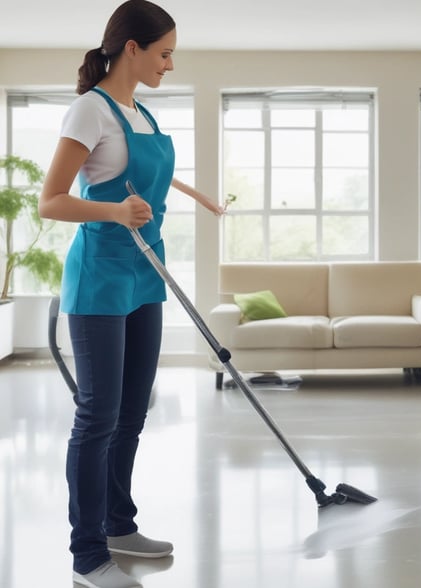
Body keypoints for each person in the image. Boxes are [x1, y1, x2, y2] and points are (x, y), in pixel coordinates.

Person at [39, 2, 223, 587]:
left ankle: (119, 525)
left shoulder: (140, 112)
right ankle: (88, 555)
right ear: (132, 48)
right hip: (100, 276)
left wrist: (199, 197)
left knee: (132, 413)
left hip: (146, 272)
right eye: (164, 53)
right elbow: (51, 201)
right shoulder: (89, 110)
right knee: (97, 417)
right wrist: (115, 211)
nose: (170, 64)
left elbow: (149, 176)